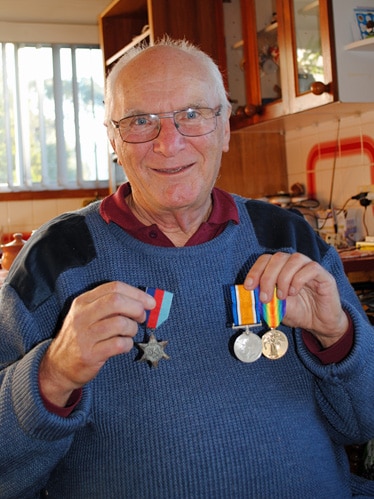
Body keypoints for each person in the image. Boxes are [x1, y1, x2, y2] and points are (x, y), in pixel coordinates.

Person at [0, 37, 374, 499]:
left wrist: (338, 337)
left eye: (193, 115)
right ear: (114, 140)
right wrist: (52, 376)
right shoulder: (55, 258)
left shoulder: (292, 239)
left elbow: (364, 422)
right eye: (141, 121)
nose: (169, 142)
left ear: (224, 130)